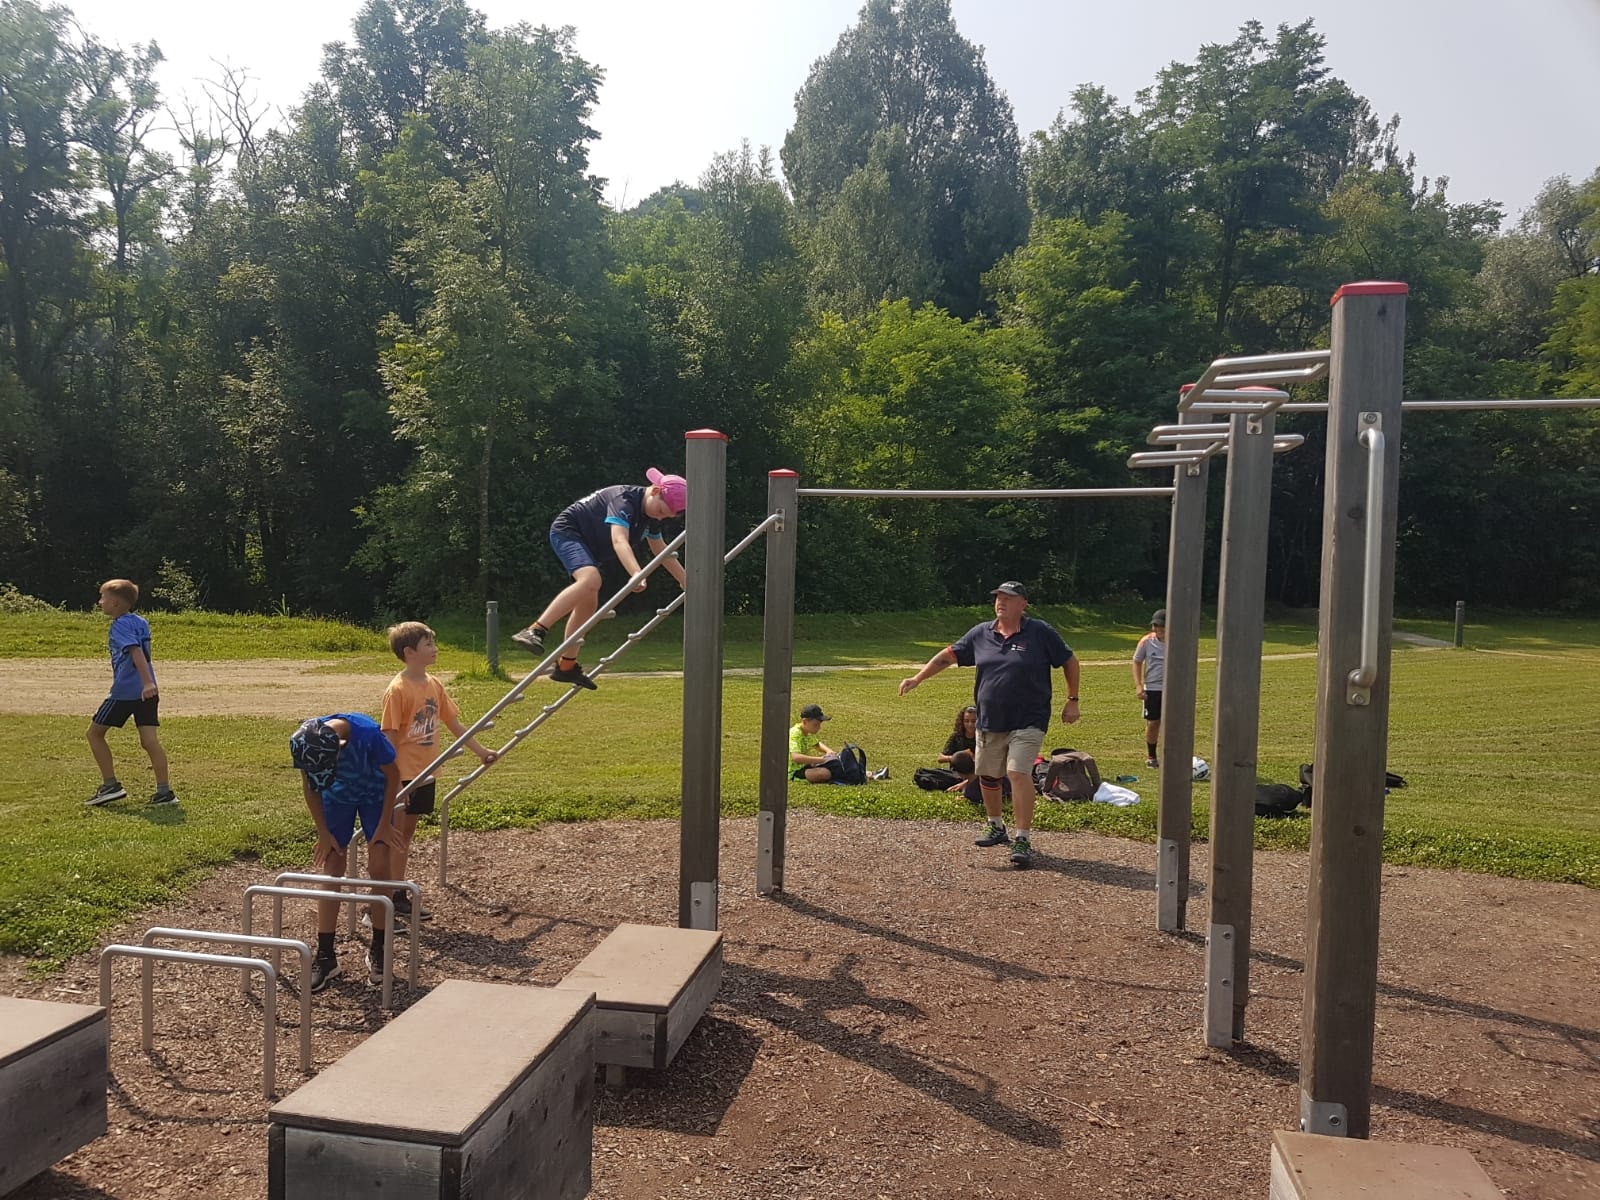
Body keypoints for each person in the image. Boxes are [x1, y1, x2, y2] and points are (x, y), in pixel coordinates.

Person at [898, 580, 1080, 868]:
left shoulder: (1040, 632)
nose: (1001, 602)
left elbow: (1070, 661)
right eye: (998, 597)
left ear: (1024, 604)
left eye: (1008, 598)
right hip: (990, 720)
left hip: (1029, 719)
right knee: (989, 776)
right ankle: (996, 826)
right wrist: (917, 678)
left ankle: (1022, 838)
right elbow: (948, 656)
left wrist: (1073, 699)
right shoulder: (981, 633)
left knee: (1017, 772)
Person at [510, 468, 689, 690]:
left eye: (667, 516)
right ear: (654, 491)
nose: (661, 516)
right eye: (662, 510)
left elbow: (660, 549)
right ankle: (534, 630)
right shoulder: (624, 500)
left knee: (588, 602)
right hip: (569, 532)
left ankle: (566, 667)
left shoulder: (651, 515)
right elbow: (619, 540)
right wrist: (636, 572)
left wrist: (685, 580)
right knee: (591, 580)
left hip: (590, 546)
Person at [380, 622, 497, 922]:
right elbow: (390, 737)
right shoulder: (398, 690)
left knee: (406, 836)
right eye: (428, 644)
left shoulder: (434, 685)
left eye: (433, 642)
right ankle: (385, 900)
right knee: (394, 837)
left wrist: (481, 752)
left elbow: (454, 724)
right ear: (409, 652)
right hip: (404, 775)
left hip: (426, 772)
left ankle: (398, 894)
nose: (435, 649)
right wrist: (392, 781)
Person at [289, 713, 401, 991]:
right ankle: (326, 956)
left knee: (379, 866)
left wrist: (385, 824)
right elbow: (311, 786)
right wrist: (323, 832)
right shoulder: (305, 741)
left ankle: (379, 948)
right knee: (333, 863)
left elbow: (393, 775)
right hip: (337, 796)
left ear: (340, 746)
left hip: (375, 793)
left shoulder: (368, 734)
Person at [84, 579, 175, 807]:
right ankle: (164, 792)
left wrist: (145, 682)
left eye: (102, 597)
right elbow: (146, 653)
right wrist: (149, 684)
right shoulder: (140, 621)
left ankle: (110, 785)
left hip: (127, 692)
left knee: (94, 734)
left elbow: (136, 653)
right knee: (150, 741)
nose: (99, 601)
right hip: (148, 691)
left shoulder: (119, 625)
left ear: (114, 603)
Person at [788, 703, 889, 783]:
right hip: (794, 772)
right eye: (816, 725)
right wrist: (820, 760)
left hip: (806, 767)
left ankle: (868, 774)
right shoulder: (795, 734)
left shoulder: (807, 731)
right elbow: (796, 757)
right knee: (824, 773)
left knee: (834, 765)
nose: (819, 727)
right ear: (805, 721)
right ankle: (867, 775)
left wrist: (829, 751)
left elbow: (817, 744)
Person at [1132, 609, 1166, 768]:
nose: (1159, 630)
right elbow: (1137, 662)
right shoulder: (1146, 641)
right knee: (1153, 722)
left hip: (1172, 688)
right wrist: (1139, 686)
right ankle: (1151, 755)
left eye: (1162, 627)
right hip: (1152, 687)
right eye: (1156, 626)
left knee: (1174, 723)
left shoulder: (1178, 640)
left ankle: (1173, 754)